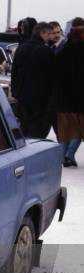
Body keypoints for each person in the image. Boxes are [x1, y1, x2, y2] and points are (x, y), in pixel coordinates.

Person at [11, 22, 54, 138]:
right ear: (42, 33)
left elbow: (14, 71)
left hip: (22, 97)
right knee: (37, 131)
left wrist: (15, 91)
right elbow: (51, 77)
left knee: (24, 128)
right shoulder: (46, 51)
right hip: (40, 99)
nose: (50, 37)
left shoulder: (21, 48)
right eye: (49, 34)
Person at [55, 19, 84, 167]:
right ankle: (69, 154)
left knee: (66, 129)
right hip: (80, 98)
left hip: (64, 97)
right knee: (79, 129)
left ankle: (63, 155)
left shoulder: (63, 48)